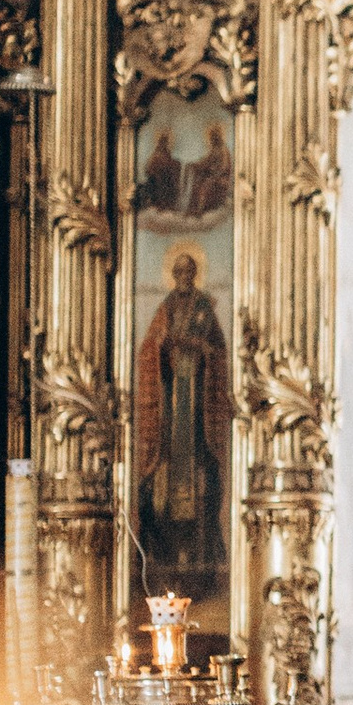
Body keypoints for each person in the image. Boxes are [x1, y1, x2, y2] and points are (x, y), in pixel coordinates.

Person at [134, 240, 232, 588]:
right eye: (178, 273)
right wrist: (165, 345)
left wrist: (202, 349)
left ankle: (204, 554)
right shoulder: (166, 307)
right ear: (173, 276)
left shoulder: (206, 308)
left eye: (189, 272)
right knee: (169, 477)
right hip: (173, 400)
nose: (183, 277)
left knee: (203, 478)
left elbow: (219, 352)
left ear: (195, 275)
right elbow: (149, 349)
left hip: (199, 405)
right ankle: (166, 553)